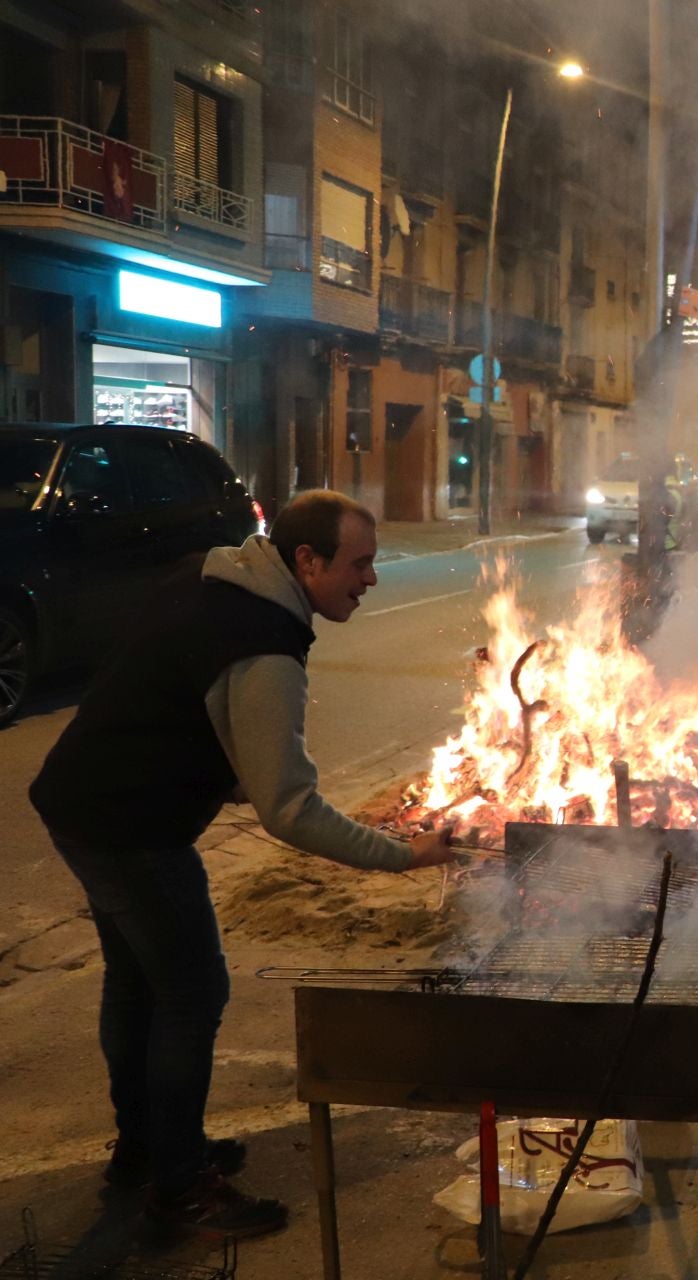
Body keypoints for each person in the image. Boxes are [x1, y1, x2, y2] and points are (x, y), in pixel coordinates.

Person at [27, 491, 457, 1238]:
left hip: (84, 797)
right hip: (130, 828)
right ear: (306, 561)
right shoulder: (262, 643)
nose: (371, 581)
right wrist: (402, 855)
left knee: (139, 983)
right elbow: (288, 811)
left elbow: (175, 697)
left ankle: (151, 1149)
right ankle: (182, 1190)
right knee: (192, 992)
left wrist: (220, 772)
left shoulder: (214, 575)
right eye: (359, 566)